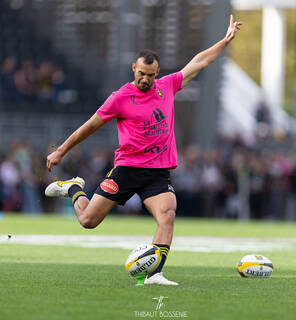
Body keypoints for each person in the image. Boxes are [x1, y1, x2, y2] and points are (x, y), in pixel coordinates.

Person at [45, 15, 242, 285]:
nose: (146, 80)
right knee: (88, 221)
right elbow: (90, 126)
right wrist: (61, 152)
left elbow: (200, 61)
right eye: (141, 74)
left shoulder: (167, 86)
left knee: (167, 215)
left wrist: (224, 40)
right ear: (133, 69)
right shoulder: (120, 97)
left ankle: (154, 274)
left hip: (157, 173)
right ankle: (73, 188)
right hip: (126, 170)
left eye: (151, 75)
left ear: (157, 73)